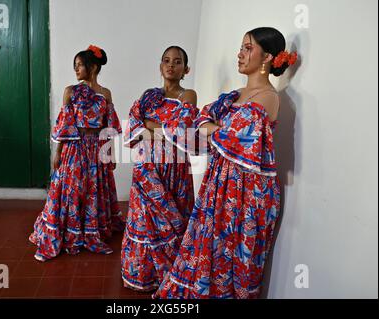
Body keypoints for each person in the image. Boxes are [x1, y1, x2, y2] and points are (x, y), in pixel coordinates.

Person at [155, 27, 297, 299]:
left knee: (230, 254)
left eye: (247, 48)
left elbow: (228, 134)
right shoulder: (235, 95)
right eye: (241, 47)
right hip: (220, 180)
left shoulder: (268, 97)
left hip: (245, 191)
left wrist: (213, 126)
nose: (240, 54)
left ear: (267, 57)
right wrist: (213, 126)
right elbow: (203, 122)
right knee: (206, 246)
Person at [29, 45, 124, 262]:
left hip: (96, 149)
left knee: (93, 189)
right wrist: (58, 153)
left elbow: (108, 127)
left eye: (80, 65)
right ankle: (68, 231)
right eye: (75, 66)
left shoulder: (105, 94)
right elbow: (65, 125)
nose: (76, 70)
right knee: (71, 189)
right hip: (74, 148)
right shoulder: (70, 91)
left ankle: (90, 232)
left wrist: (111, 154)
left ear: (93, 66)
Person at [121, 46, 199, 291]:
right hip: (146, 168)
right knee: (144, 221)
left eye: (177, 62)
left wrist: (148, 124)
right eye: (166, 60)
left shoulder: (188, 95)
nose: (171, 65)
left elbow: (182, 128)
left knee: (172, 219)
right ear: (160, 65)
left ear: (185, 69)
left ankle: (171, 277)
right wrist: (160, 128)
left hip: (174, 169)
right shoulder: (148, 96)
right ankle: (142, 277)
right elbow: (132, 124)